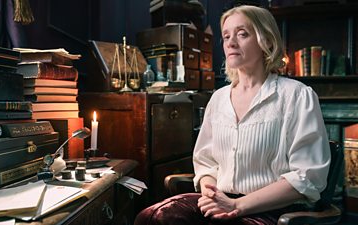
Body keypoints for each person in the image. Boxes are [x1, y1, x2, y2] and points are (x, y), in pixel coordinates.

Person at [134, 4, 331, 225]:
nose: (230, 42)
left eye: (242, 34)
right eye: (226, 36)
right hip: (222, 199)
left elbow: (308, 175)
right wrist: (211, 194)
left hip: (271, 208)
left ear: (266, 41)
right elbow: (205, 161)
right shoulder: (218, 99)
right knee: (152, 218)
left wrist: (237, 206)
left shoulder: (296, 96)